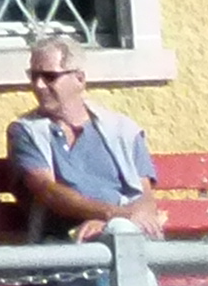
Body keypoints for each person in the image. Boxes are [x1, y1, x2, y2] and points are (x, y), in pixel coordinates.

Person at [8, 36, 160, 241]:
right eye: (33, 76)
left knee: (122, 234)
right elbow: (47, 191)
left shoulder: (122, 130)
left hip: (125, 232)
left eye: (49, 77)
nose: (39, 85)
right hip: (65, 241)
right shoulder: (27, 132)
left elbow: (145, 197)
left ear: (79, 79)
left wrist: (111, 224)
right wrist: (112, 215)